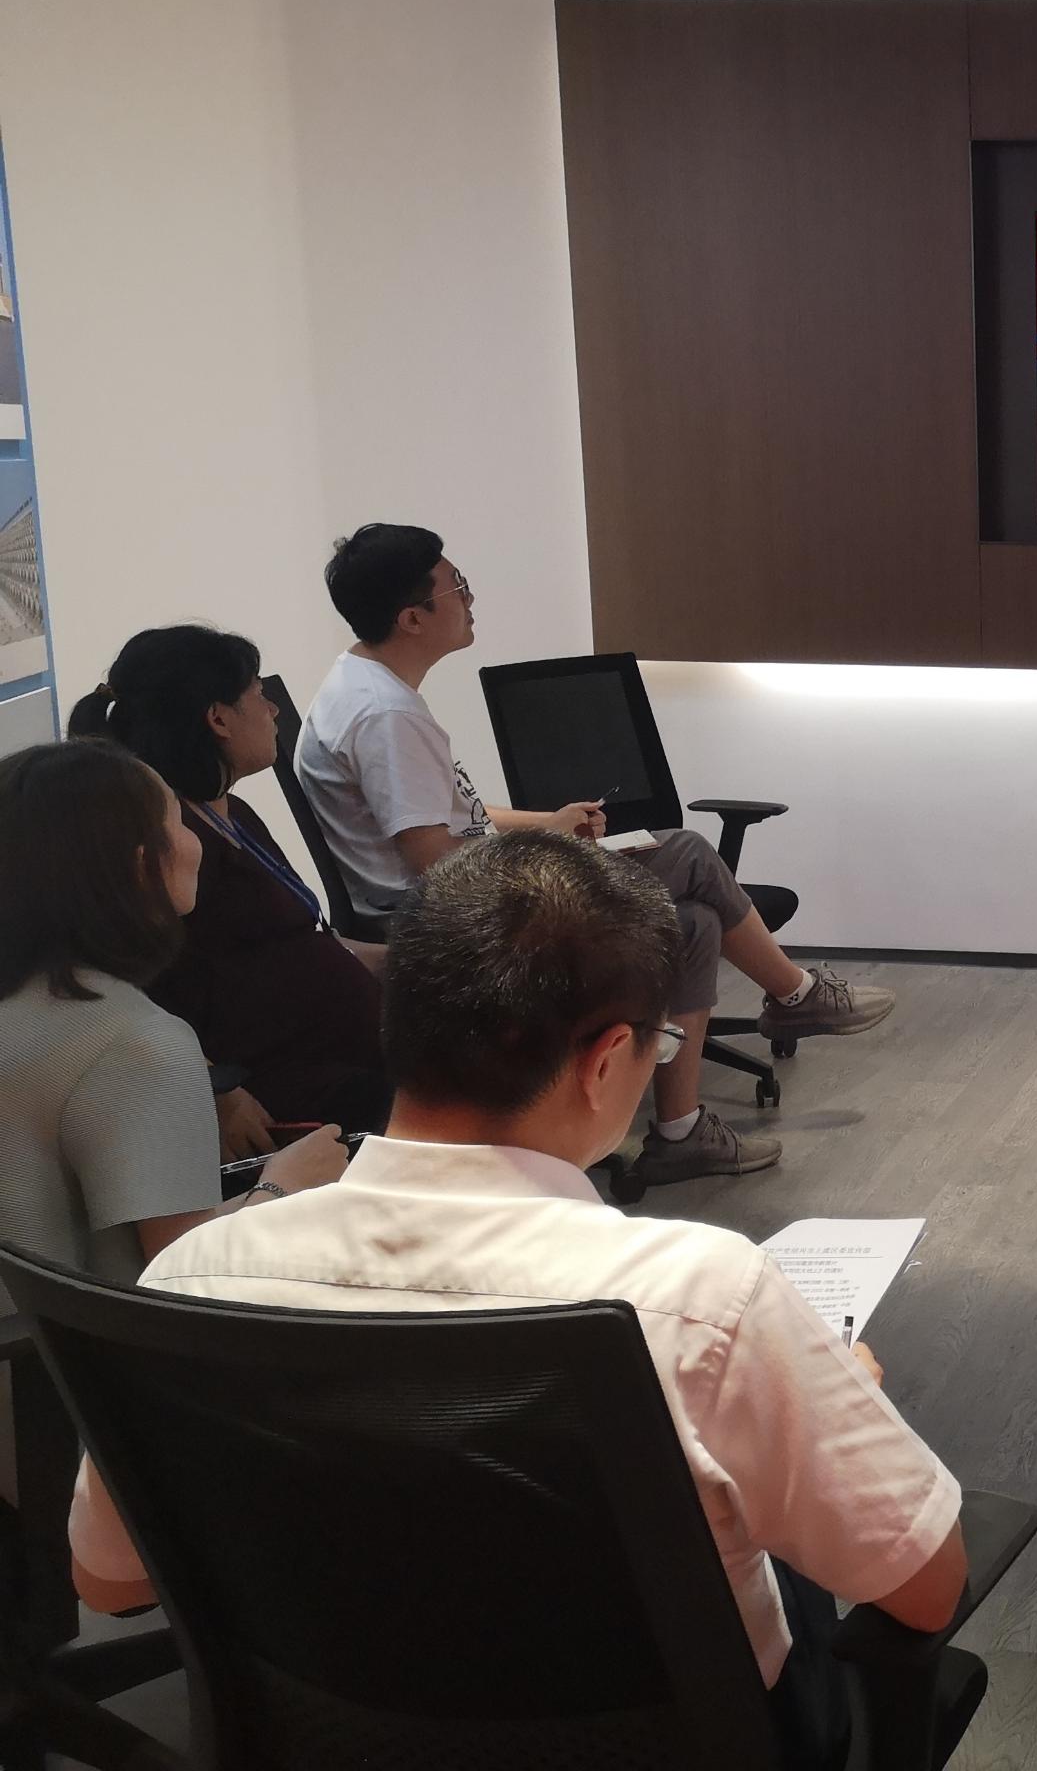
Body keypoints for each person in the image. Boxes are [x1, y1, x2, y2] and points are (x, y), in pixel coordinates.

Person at [68, 833, 967, 1771]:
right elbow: (926, 1588)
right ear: (607, 1059)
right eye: (659, 1044)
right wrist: (830, 1393)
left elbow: (108, 1582)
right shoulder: (702, 1299)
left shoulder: (197, 1276)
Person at [294, 523, 893, 1186]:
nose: (470, 598)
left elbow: (452, 814)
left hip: (467, 884)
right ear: (412, 618)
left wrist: (546, 821)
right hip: (453, 912)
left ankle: (681, 1133)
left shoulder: (365, 686)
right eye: (456, 587)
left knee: (693, 924)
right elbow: (433, 860)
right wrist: (546, 841)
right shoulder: (385, 716)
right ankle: (796, 994)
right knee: (688, 852)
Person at [0, 741, 347, 1312]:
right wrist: (286, 1185)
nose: (195, 840)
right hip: (102, 1354)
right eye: (180, 822)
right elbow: (184, 1274)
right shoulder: (137, 1043)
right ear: (144, 864)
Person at [69, 626, 391, 1149]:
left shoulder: (231, 812)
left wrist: (418, 958)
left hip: (341, 1059)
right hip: (287, 1089)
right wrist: (217, 1089)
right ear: (218, 718)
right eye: (259, 695)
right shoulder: (169, 843)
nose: (274, 710)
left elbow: (300, 945)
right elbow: (125, 987)